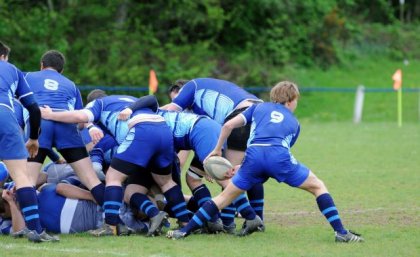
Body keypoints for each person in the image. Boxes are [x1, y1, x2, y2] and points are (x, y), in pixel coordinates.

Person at [167, 81, 364, 243]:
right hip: (278, 157)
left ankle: (184, 231)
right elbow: (278, 151)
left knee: (224, 197)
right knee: (318, 187)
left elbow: (228, 125)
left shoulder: (257, 108)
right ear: (290, 101)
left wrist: (218, 150)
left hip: (253, 157)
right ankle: (341, 232)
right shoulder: (295, 123)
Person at [40, 91, 190, 236]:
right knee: (165, 182)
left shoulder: (98, 104)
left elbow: (80, 116)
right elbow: (152, 101)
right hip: (164, 131)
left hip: (141, 131)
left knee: (113, 177)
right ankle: (184, 222)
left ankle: (111, 225)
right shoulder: (126, 99)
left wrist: (50, 115)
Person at [161, 78, 266, 226]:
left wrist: (143, 113)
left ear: (183, 92)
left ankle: (236, 221)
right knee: (244, 171)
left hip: (241, 117)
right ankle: (249, 219)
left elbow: (171, 109)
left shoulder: (192, 87)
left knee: (227, 175)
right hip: (261, 115)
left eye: (178, 99)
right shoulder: (200, 104)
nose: (179, 104)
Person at [24, 50, 105, 207]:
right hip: (66, 126)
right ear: (61, 70)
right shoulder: (71, 84)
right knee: (91, 179)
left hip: (39, 124)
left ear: (42, 65)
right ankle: (117, 220)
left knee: (27, 182)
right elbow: (80, 122)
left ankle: (32, 227)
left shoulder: (27, 77)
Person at [0, 41, 58, 242]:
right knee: (21, 177)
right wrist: (33, 138)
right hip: (5, 117)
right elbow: (34, 109)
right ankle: (36, 230)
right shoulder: (13, 71)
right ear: (4, 57)